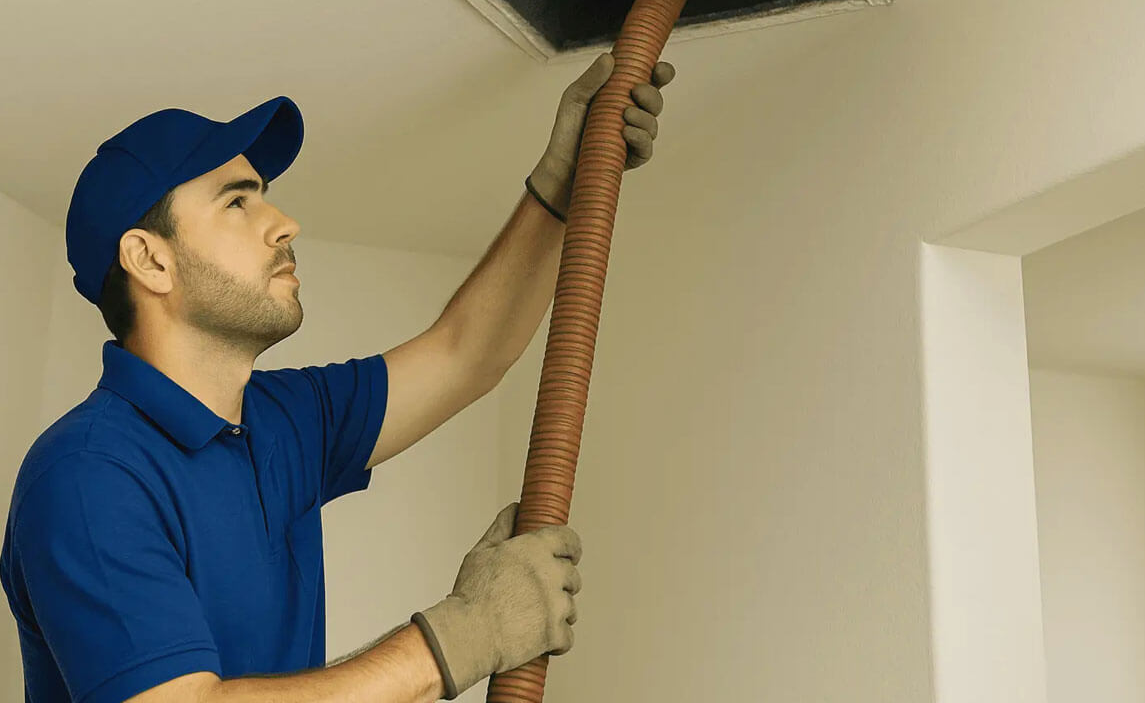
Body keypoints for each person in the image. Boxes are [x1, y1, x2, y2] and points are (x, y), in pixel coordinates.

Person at [0, 52, 675, 703]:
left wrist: (563, 178)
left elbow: (467, 352)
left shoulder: (286, 420)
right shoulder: (88, 476)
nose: (284, 224)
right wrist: (465, 635)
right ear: (149, 260)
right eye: (237, 203)